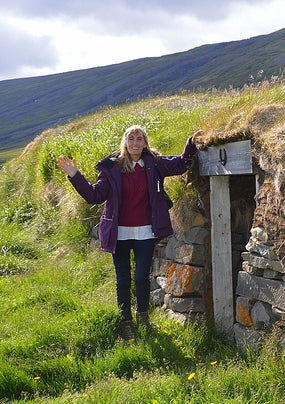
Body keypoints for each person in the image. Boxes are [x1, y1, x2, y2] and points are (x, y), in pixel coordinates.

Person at [57, 125, 202, 340]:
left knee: (142, 276)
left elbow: (181, 164)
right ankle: (126, 321)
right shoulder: (112, 168)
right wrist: (75, 175)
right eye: (131, 139)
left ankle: (143, 317)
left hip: (145, 231)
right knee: (123, 278)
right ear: (125, 142)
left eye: (139, 139)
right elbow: (94, 196)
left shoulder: (154, 163)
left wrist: (191, 143)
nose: (135, 143)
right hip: (120, 233)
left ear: (145, 143)